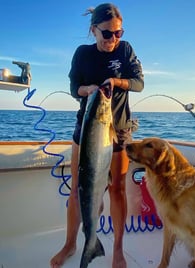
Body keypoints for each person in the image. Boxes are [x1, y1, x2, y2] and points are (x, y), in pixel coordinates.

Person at [50, 3, 144, 268]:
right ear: (93, 30)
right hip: (88, 128)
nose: (113, 39)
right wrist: (88, 89)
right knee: (78, 191)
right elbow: (73, 88)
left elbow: (138, 82)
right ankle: (71, 244)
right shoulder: (82, 54)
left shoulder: (125, 50)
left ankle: (117, 249)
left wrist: (116, 82)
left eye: (118, 33)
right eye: (107, 34)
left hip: (119, 130)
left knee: (117, 189)